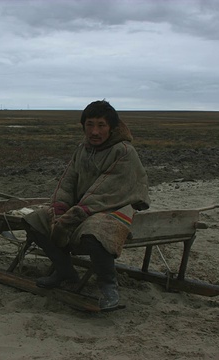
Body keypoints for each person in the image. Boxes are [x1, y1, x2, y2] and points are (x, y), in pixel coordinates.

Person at [23, 100, 150, 311]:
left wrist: (79, 212)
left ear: (111, 127)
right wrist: (61, 207)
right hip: (82, 207)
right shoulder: (83, 149)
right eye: (90, 125)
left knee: (96, 231)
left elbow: (109, 189)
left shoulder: (124, 151)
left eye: (101, 125)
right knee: (35, 220)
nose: (95, 131)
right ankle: (64, 270)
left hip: (115, 208)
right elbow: (68, 180)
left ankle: (109, 286)